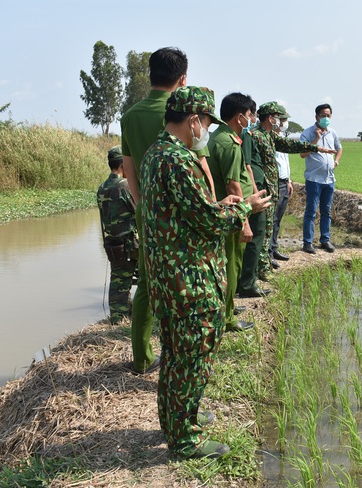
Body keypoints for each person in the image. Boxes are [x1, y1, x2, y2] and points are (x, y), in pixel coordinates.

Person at [140, 86, 271, 459]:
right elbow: (209, 221)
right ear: (194, 121)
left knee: (177, 354)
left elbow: (188, 211)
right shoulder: (178, 160)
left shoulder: (156, 153)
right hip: (188, 278)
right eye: (205, 123)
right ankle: (184, 439)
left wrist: (221, 203)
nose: (205, 132)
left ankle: (180, 417)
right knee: (192, 357)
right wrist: (245, 207)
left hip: (170, 274)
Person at [120, 47, 193, 375]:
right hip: (182, 213)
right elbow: (199, 166)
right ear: (182, 78)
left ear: (151, 75)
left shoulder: (130, 115)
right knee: (185, 281)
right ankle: (180, 356)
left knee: (148, 284)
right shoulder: (184, 112)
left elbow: (128, 168)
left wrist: (141, 206)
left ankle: (142, 358)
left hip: (147, 210)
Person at [238, 101, 335, 296]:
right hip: (262, 192)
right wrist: (256, 191)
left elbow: (291, 145)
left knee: (266, 232)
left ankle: (263, 270)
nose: (281, 122)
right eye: (279, 118)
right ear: (270, 117)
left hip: (273, 191)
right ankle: (251, 278)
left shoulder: (270, 136)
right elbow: (248, 165)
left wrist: (318, 149)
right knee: (261, 234)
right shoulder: (253, 136)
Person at [206, 92, 259, 332]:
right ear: (240, 117)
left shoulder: (221, 137)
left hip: (225, 212)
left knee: (227, 264)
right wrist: (244, 221)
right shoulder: (228, 142)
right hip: (230, 215)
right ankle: (227, 318)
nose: (252, 119)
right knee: (231, 265)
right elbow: (232, 186)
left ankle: (226, 307)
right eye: (250, 115)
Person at [97, 146, 138, 324]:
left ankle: (118, 317)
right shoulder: (125, 187)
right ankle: (130, 315)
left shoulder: (102, 187)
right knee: (144, 277)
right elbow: (140, 211)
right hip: (130, 243)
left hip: (113, 243)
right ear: (123, 165)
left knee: (118, 280)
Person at [299, 103, 342, 254]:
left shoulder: (332, 132)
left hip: (329, 179)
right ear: (316, 116)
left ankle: (325, 240)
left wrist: (336, 161)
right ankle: (308, 242)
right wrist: (316, 139)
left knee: (326, 211)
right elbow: (302, 153)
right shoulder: (308, 132)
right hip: (314, 179)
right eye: (323, 115)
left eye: (328, 115)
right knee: (311, 211)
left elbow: (339, 147)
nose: (326, 118)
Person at [268, 112, 293, 266]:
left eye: (286, 120)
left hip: (284, 182)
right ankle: (268, 254)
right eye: (282, 120)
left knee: (279, 219)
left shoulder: (283, 139)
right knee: (272, 219)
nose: (284, 123)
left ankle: (274, 248)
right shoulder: (268, 139)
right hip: (274, 183)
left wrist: (289, 180)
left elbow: (286, 162)